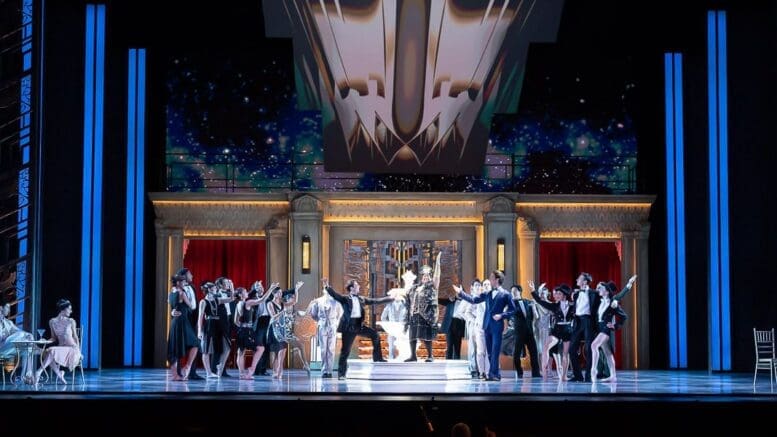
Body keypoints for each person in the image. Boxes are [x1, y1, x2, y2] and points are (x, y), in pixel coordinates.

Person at [323, 277, 393, 380]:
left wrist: (391, 298)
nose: (359, 286)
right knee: (345, 351)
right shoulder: (345, 299)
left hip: (359, 326)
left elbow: (376, 301)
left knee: (375, 335)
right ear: (351, 288)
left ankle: (378, 358)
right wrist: (327, 286)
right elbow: (335, 295)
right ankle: (341, 374)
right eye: (357, 285)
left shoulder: (361, 299)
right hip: (348, 328)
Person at [456, 270, 516, 381]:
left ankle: (495, 374)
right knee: (489, 352)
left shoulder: (506, 294)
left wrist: (502, 315)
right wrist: (461, 293)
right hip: (487, 326)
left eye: (492, 278)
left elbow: (513, 310)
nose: (490, 279)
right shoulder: (487, 294)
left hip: (497, 326)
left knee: (495, 350)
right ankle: (491, 374)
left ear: (497, 280)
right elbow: (474, 300)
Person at [590, 279, 633, 383]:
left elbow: (624, 316)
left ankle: (593, 370)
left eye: (601, 288)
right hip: (600, 327)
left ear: (607, 291)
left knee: (594, 345)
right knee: (608, 353)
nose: (598, 289)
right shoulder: (599, 301)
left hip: (606, 328)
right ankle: (613, 376)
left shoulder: (613, 302)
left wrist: (615, 325)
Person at [531, 284, 575, 381]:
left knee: (565, 354)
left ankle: (563, 376)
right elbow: (540, 301)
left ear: (564, 295)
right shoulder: (554, 305)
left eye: (559, 294)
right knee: (546, 346)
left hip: (568, 330)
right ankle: (544, 372)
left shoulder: (573, 305)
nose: (556, 295)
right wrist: (533, 291)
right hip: (557, 329)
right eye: (556, 294)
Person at [35, 299, 82, 384]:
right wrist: (45, 341)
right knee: (46, 352)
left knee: (51, 351)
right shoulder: (52, 322)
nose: (71, 311)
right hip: (61, 348)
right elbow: (53, 338)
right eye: (69, 309)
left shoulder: (71, 321)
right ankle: (59, 374)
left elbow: (75, 337)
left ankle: (39, 371)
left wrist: (79, 350)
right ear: (63, 309)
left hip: (72, 349)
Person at [405, 253, 441, 362]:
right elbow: (407, 295)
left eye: (427, 276)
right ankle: (413, 356)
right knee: (412, 336)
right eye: (424, 276)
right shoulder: (416, 287)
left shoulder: (432, 286)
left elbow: (437, 277)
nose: (425, 278)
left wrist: (438, 263)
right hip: (414, 314)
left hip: (426, 314)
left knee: (426, 336)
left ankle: (430, 355)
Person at [306, 285, 344, 377]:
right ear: (323, 291)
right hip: (322, 325)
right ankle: (324, 370)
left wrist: (335, 323)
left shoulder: (336, 302)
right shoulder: (318, 301)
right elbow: (313, 314)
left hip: (332, 326)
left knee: (331, 349)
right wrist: (320, 321)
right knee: (323, 349)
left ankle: (329, 370)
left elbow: (340, 314)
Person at [508, 284, 541, 378]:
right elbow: (507, 314)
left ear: (520, 291)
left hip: (530, 332)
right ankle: (519, 372)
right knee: (516, 354)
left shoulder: (528, 302)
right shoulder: (511, 304)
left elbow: (536, 317)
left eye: (515, 291)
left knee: (534, 353)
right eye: (512, 292)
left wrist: (534, 308)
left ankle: (536, 373)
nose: (513, 293)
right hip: (519, 332)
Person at [569, 272, 597, 382]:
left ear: (585, 281)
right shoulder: (575, 293)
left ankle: (588, 376)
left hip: (588, 321)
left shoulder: (594, 293)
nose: (576, 280)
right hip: (577, 321)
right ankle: (578, 376)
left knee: (588, 349)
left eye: (579, 278)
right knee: (572, 349)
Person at [0, 295, 34, 379]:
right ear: (1, 308)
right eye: (7, 307)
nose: (9, 310)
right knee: (21, 335)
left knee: (27, 344)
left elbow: (19, 332)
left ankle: (24, 375)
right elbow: (19, 334)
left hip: (6, 349)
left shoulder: (8, 322)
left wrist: (29, 335)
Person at [381, 271, 411, 360]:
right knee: (391, 345)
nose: (397, 296)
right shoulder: (389, 304)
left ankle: (405, 357)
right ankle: (391, 358)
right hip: (392, 328)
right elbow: (383, 316)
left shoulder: (405, 304)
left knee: (404, 345)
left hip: (402, 328)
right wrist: (387, 325)